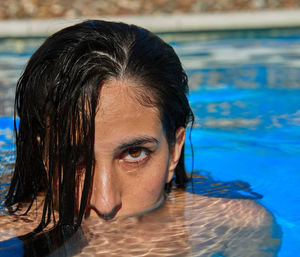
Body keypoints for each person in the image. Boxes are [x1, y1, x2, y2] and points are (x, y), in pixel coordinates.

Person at [0, 20, 281, 256]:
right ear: (44, 156)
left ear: (174, 151)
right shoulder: (9, 238)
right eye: (74, 158)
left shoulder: (235, 225)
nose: (105, 203)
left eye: (135, 153)